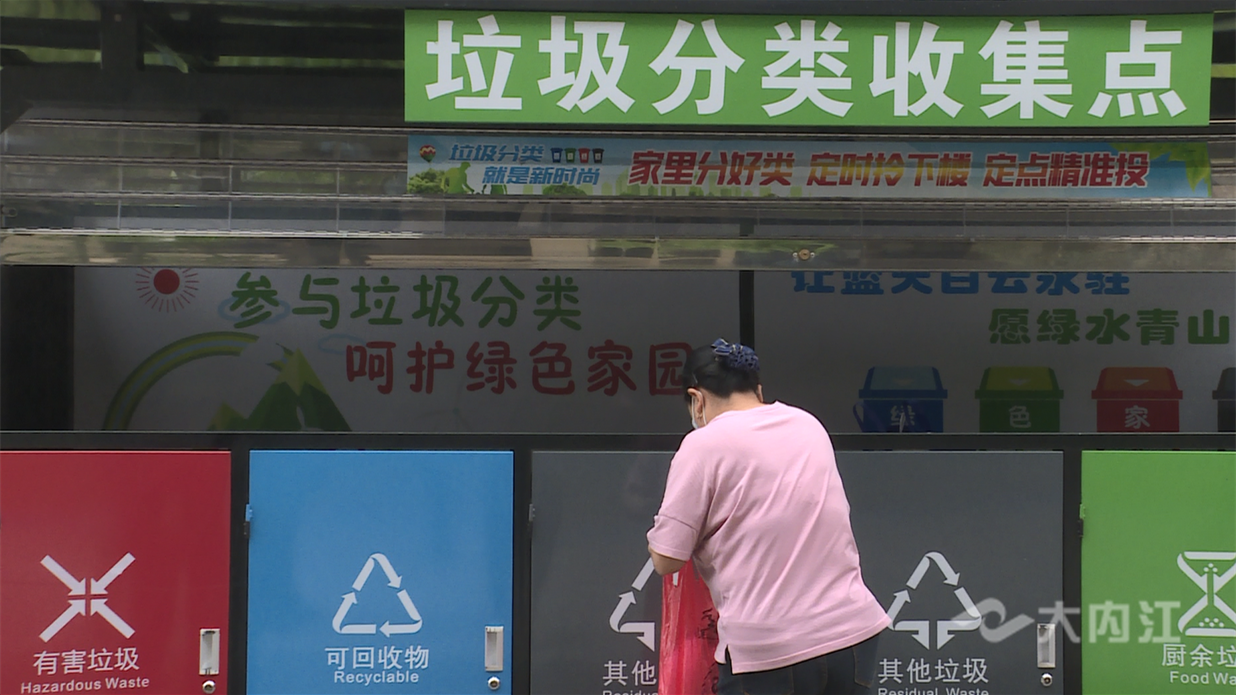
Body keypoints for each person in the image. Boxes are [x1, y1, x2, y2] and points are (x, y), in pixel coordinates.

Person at [647, 339, 890, 695]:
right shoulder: (807, 424)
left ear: (696, 400)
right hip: (851, 634)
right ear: (758, 390)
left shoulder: (703, 445)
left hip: (770, 651)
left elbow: (667, 558)